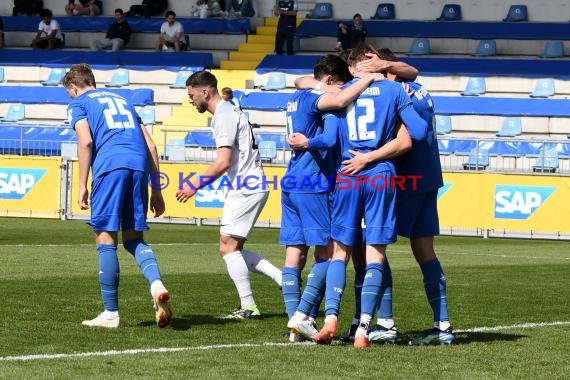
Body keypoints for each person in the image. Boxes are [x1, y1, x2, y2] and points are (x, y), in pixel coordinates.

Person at [303, 44, 428, 348]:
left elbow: (308, 92)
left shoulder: (340, 94)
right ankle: (364, 330)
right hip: (380, 174)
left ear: (352, 67)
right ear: (372, 62)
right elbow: (420, 132)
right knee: (375, 254)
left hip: (347, 173)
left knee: (340, 252)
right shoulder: (394, 91)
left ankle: (330, 317)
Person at [354, 48, 455, 346]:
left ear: (388, 70)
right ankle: (443, 326)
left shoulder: (398, 91)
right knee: (425, 252)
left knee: (375, 244)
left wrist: (369, 157)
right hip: (429, 177)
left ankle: (385, 322)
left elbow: (408, 140)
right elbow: (412, 72)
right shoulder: (418, 89)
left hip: (407, 179)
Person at [282, 55, 386, 342]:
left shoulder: (297, 95)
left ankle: (296, 325)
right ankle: (301, 316)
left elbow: (300, 80)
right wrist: (368, 79)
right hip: (312, 181)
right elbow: (332, 125)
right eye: (338, 85)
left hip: (291, 179)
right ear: (328, 80)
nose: (340, 91)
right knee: (329, 253)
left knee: (295, 253)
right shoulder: (321, 101)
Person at [63, 63, 173, 329]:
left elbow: (86, 141)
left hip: (110, 166)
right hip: (138, 166)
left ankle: (111, 313)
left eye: (70, 93)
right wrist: (156, 189)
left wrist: (81, 184)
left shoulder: (79, 103)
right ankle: (156, 284)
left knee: (105, 237)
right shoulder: (123, 100)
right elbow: (151, 144)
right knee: (133, 238)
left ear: (74, 87)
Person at [176, 71, 282, 319]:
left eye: (192, 95)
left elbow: (223, 161)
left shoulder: (223, 116)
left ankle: (249, 307)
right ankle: (283, 279)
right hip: (250, 183)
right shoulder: (230, 110)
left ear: (205, 92)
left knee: (227, 248)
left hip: (245, 185)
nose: (191, 101)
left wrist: (194, 186)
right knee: (233, 248)